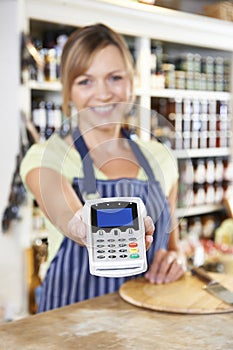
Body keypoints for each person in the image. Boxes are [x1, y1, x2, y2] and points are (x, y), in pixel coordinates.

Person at [20, 23, 187, 313]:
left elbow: (172, 247)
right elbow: (67, 214)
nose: (104, 93)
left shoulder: (162, 158)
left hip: (148, 323)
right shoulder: (47, 156)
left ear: (131, 84)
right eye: (85, 81)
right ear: (68, 92)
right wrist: (81, 227)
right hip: (69, 325)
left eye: (115, 77)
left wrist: (176, 259)